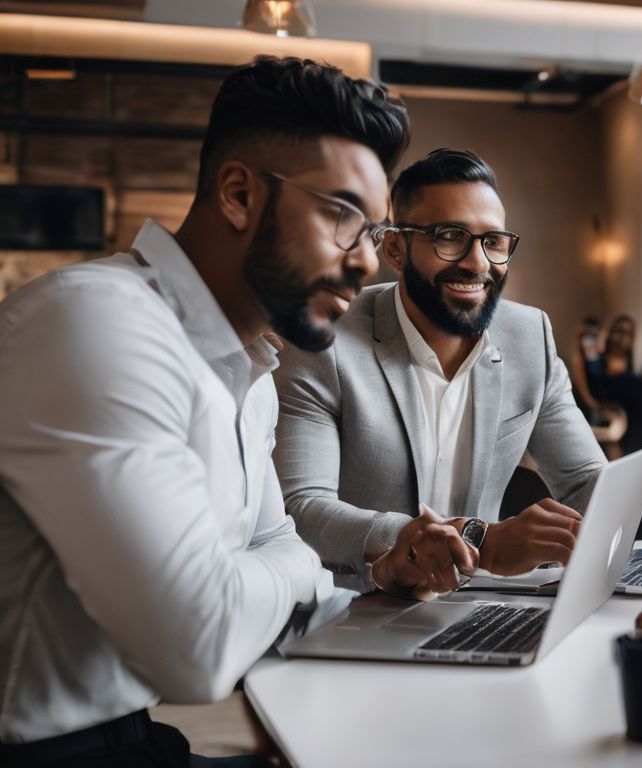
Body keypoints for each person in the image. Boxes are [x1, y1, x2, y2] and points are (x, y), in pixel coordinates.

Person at [0, 56, 408, 765]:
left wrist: (380, 584)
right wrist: (286, 565)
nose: (368, 261)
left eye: (373, 232)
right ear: (239, 194)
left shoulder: (247, 368)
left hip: (132, 738)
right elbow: (199, 648)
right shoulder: (97, 325)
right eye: (342, 215)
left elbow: (286, 566)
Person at [274, 148, 606, 598]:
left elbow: (588, 480)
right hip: (353, 611)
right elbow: (303, 509)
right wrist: (478, 541)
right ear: (395, 247)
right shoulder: (324, 340)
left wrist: (566, 543)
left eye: (493, 241)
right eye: (449, 236)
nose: (477, 263)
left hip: (480, 606)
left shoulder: (530, 336)